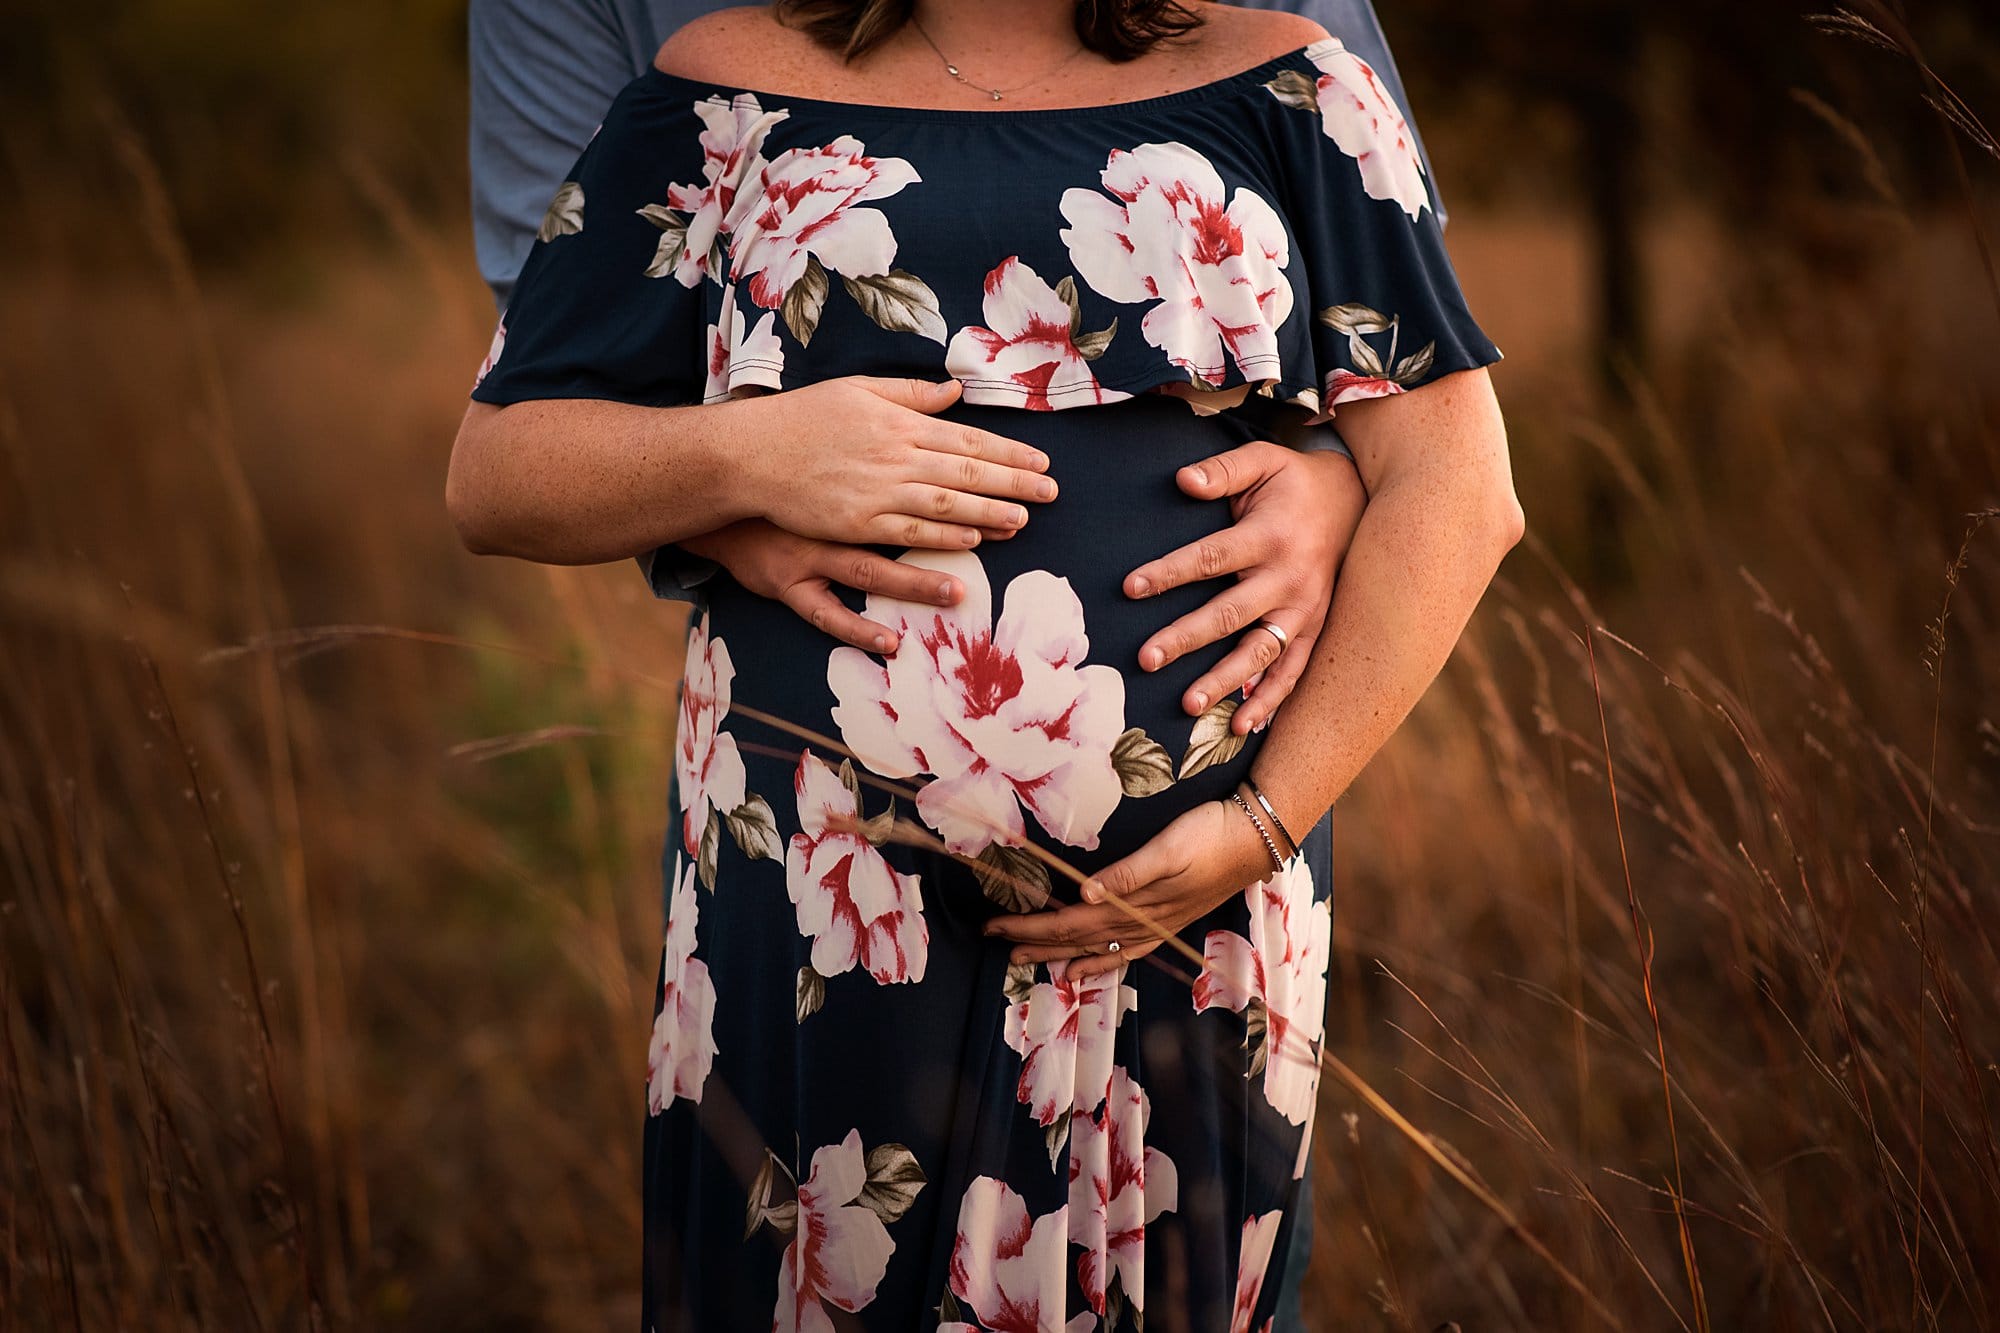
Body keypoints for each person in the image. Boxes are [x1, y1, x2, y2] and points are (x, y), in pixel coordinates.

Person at [448, 2, 1519, 1328]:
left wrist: (1261, 819)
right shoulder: (722, 94)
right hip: (816, 916)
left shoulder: (1295, 88)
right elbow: (501, 469)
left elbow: (1459, 489)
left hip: (1190, 910)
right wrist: (749, 456)